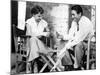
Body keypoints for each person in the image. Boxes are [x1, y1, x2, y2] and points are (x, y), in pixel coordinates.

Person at [59, 5, 94, 70]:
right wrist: (62, 37)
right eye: (71, 15)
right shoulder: (74, 22)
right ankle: (68, 66)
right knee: (62, 42)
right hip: (79, 41)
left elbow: (79, 38)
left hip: (89, 43)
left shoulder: (85, 22)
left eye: (73, 15)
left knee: (78, 44)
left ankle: (77, 67)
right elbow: (71, 35)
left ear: (80, 14)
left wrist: (68, 45)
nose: (72, 17)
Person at [25, 5, 50, 72]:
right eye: (39, 16)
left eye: (41, 15)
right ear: (33, 15)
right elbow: (28, 34)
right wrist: (37, 36)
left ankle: (30, 62)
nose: (41, 17)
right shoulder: (29, 22)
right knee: (33, 39)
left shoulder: (44, 22)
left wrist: (47, 34)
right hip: (29, 44)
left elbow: (48, 32)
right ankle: (35, 63)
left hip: (40, 44)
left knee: (34, 39)